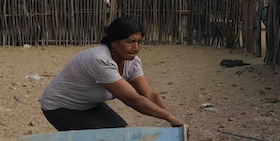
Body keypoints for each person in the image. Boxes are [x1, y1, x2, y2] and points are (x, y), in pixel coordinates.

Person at [41, 16, 186, 131]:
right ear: (114, 42)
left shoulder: (132, 62)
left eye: (139, 42)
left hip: (88, 105)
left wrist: (174, 122)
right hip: (59, 107)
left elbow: (150, 94)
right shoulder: (100, 60)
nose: (136, 47)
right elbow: (132, 99)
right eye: (130, 41)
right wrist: (168, 117)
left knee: (122, 133)